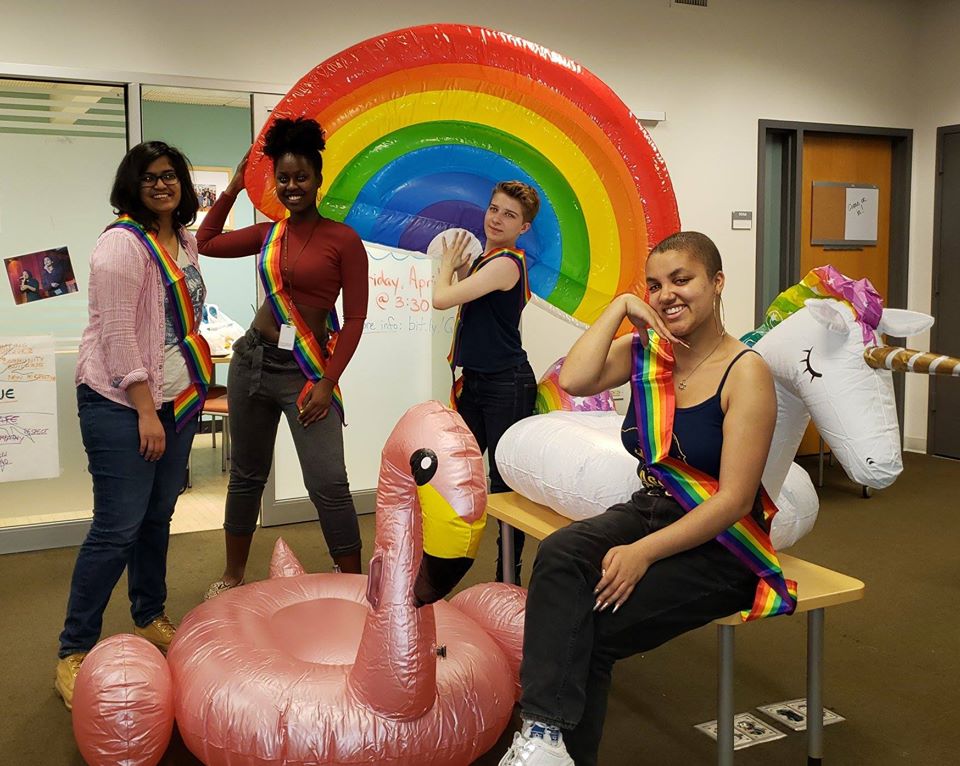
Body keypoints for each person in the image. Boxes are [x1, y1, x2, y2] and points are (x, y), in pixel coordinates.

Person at [498, 232, 792, 766]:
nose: (667, 294)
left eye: (682, 280)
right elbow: (579, 377)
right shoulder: (647, 352)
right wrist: (619, 307)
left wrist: (643, 553)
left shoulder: (745, 373)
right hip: (652, 508)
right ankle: (543, 736)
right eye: (655, 285)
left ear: (717, 283)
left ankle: (556, 749)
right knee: (562, 554)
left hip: (723, 543)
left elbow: (733, 501)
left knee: (593, 629)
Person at [55, 141, 207, 710]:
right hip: (121, 403)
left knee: (156, 516)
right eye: (149, 178)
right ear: (132, 185)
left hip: (175, 399)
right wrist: (145, 409)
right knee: (116, 527)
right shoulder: (121, 246)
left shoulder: (186, 240)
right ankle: (73, 649)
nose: (161, 185)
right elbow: (118, 336)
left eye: (170, 176)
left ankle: (148, 614)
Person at [198, 117, 368, 598]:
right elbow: (206, 242)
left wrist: (328, 383)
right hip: (253, 362)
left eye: (301, 177)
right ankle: (233, 576)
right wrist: (233, 186)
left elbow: (354, 320)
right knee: (247, 475)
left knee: (328, 481)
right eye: (283, 178)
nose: (292, 186)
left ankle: (351, 578)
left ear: (318, 179)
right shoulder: (269, 234)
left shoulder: (343, 240)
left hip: (306, 373)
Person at [433, 181, 540, 584]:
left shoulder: (506, 263)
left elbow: (443, 299)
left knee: (503, 482)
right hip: (478, 382)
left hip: (506, 383)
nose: (497, 218)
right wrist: (462, 267)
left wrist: (446, 267)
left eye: (509, 215)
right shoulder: (489, 259)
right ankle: (444, 560)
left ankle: (506, 580)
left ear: (523, 227)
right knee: (456, 469)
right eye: (494, 209)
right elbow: (471, 300)